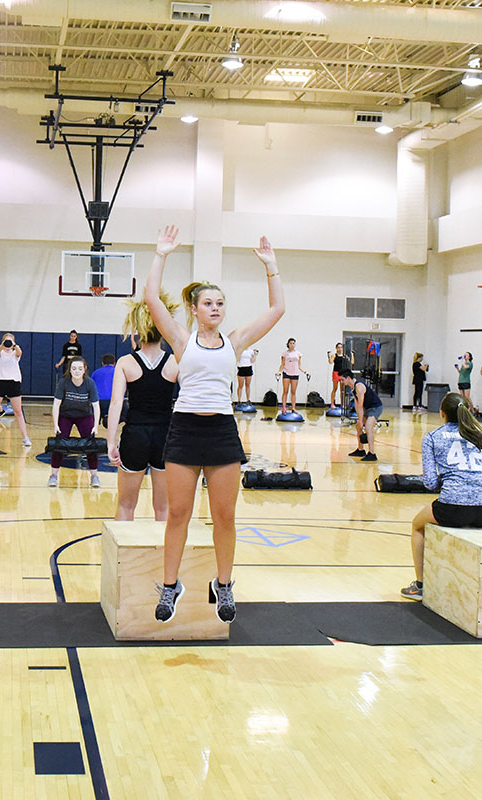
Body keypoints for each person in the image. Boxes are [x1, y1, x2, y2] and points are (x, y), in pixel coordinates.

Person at [145, 225, 284, 624]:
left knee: (224, 516)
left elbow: (277, 311)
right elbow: (151, 298)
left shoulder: (235, 341)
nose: (216, 309)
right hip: (184, 432)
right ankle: (170, 586)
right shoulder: (181, 340)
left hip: (222, 432)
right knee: (178, 515)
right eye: (209, 303)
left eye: (220, 303)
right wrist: (161, 254)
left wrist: (271, 266)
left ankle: (223, 585)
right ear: (194, 309)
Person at [401, 393, 482, 601]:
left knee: (417, 526)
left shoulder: (433, 437)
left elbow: (429, 483)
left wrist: (447, 480)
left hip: (453, 506)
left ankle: (420, 585)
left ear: (442, 414)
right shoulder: (481, 435)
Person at [107, 296, 179, 520]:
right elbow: (187, 401)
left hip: (134, 436)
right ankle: (165, 556)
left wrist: (110, 442)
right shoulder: (175, 361)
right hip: (166, 437)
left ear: (137, 330)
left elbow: (116, 403)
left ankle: (122, 557)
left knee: (126, 506)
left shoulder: (125, 362)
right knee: (164, 508)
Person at [48, 356, 101, 488]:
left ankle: (94, 476)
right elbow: (56, 405)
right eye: (74, 368)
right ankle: (53, 475)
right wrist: (55, 424)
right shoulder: (63, 382)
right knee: (59, 444)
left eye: (80, 368)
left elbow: (96, 405)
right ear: (70, 370)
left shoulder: (89, 383)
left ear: (84, 370)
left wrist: (95, 425)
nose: (77, 371)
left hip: (84, 416)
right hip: (66, 415)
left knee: (91, 445)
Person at [339, 368, 383, 462]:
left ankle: (372, 453)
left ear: (348, 378)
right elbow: (357, 406)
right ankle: (360, 450)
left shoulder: (359, 387)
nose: (342, 382)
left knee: (368, 427)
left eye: (342, 380)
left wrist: (361, 420)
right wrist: (359, 420)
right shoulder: (353, 389)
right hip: (367, 408)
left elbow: (360, 404)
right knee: (358, 427)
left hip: (375, 407)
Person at [277, 338, 309, 414]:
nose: (292, 345)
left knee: (293, 392)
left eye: (293, 343)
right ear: (288, 344)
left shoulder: (298, 354)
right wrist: (279, 372)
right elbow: (282, 364)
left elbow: (299, 366)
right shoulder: (284, 354)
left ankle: (294, 407)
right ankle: (284, 408)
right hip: (286, 373)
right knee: (285, 391)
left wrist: (305, 372)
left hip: (295, 373)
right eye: (291, 343)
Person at [91, 354, 117, 424]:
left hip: (99, 402)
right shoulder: (118, 372)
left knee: (94, 422)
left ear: (102, 363)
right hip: (114, 401)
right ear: (114, 363)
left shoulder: (95, 373)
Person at [327, 343, 354, 409]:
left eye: (341, 347)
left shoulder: (345, 356)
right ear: (336, 348)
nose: (340, 349)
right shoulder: (334, 355)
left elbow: (352, 363)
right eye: (338, 347)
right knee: (335, 389)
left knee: (342, 390)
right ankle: (332, 404)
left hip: (342, 374)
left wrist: (352, 355)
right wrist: (329, 355)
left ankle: (343, 404)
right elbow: (330, 362)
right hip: (336, 373)